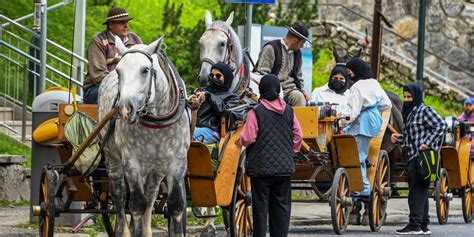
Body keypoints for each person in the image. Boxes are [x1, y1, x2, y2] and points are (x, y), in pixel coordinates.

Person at [238, 74, 303, 237]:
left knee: (260, 208)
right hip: (283, 170)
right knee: (281, 207)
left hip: (261, 170)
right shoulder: (289, 110)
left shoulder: (256, 112)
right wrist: (291, 152)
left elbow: (249, 138)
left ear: (262, 90)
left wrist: (240, 140)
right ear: (277, 89)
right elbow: (298, 135)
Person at [337, 58, 392, 224]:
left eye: (350, 70)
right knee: (362, 150)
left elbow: (352, 112)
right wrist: (373, 110)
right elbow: (386, 103)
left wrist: (340, 122)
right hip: (374, 119)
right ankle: (364, 179)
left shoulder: (357, 87)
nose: (349, 73)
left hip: (363, 121)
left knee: (357, 154)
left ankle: (362, 189)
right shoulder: (374, 83)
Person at [391, 83, 447, 235]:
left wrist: (427, 143)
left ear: (416, 97)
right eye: (405, 96)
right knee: (420, 190)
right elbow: (412, 136)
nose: (407, 99)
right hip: (412, 155)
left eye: (410, 97)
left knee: (415, 191)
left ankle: (414, 225)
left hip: (422, 157)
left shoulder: (424, 110)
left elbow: (441, 125)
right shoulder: (410, 113)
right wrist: (399, 138)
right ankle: (423, 224)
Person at [83, 7, 142, 104]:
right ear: (110, 24)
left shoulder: (135, 39)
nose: (126, 25)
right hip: (96, 89)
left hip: (130, 87)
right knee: (124, 95)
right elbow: (99, 76)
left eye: (127, 22)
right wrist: (124, 84)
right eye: (121, 22)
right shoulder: (98, 41)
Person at [255, 23, 311, 107]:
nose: (302, 46)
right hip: (271, 90)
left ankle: (297, 120)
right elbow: (261, 74)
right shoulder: (271, 48)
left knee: (299, 97)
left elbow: (298, 77)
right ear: (296, 40)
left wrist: (302, 91)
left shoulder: (297, 54)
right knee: (298, 96)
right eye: (302, 43)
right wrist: (274, 91)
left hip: (290, 90)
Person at [191, 62, 241, 144]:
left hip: (212, 131)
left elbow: (224, 111)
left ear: (226, 77)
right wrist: (193, 102)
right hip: (194, 125)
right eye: (212, 75)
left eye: (218, 76)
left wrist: (209, 96)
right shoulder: (202, 90)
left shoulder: (232, 97)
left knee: (185, 134)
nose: (214, 78)